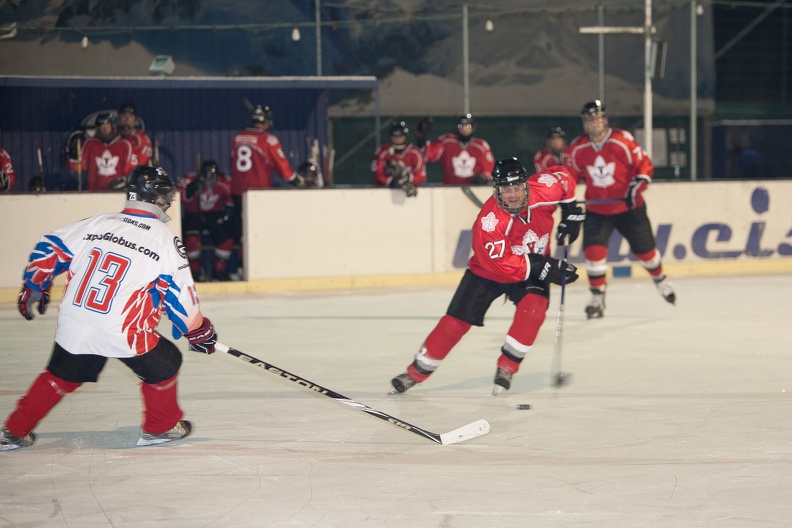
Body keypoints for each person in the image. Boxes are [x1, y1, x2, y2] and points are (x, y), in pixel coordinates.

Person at [0, 166, 219, 451]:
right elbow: (179, 294)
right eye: (165, 193)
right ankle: (159, 428)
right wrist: (197, 330)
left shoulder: (97, 223)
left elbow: (51, 245)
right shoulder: (165, 239)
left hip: (75, 321)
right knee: (165, 364)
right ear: (154, 196)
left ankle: (13, 431)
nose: (168, 201)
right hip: (120, 329)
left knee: (60, 376)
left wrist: (35, 283)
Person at [389, 158, 584, 396]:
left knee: (534, 311)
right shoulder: (489, 222)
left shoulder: (545, 188)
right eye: (505, 189)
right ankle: (416, 372)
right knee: (454, 324)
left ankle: (507, 367)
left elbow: (564, 175)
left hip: (533, 265)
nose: (511, 195)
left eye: (515, 188)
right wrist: (541, 266)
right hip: (487, 272)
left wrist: (571, 210)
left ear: (526, 185)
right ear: (496, 189)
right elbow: (501, 265)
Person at [565, 100, 675, 319]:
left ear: (605, 119)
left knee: (647, 254)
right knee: (594, 254)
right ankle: (597, 297)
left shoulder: (622, 140)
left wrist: (638, 184)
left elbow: (644, 165)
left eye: (597, 118)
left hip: (628, 208)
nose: (594, 123)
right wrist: (563, 196)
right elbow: (569, 176)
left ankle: (660, 279)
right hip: (597, 209)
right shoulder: (577, 147)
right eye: (589, 119)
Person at [229, 104, 305, 277]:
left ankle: (241, 267)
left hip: (238, 192)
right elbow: (282, 167)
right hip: (258, 194)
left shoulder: (238, 137)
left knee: (243, 231)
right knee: (258, 231)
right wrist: (295, 180)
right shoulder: (267, 139)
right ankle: (256, 267)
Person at [179, 160, 235, 282]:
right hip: (194, 215)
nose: (209, 180)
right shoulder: (190, 178)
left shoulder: (224, 181)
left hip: (214, 216)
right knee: (191, 239)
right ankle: (195, 272)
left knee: (227, 237)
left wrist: (227, 212)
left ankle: (218, 271)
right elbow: (180, 197)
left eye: (212, 176)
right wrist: (192, 188)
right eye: (206, 176)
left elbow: (230, 198)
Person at [419, 113, 495, 185]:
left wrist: (483, 177)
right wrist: (421, 138)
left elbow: (490, 168)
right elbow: (427, 155)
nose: (464, 129)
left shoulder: (481, 145)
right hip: (449, 189)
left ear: (473, 128)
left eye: (468, 126)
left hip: (474, 190)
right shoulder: (446, 141)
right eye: (461, 126)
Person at [67, 113, 135, 191]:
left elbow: (131, 170)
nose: (105, 129)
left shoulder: (125, 145)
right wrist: (73, 154)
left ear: (113, 127)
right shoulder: (90, 144)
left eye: (107, 126)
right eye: (102, 127)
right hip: (93, 193)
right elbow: (78, 167)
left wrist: (125, 181)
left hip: (117, 194)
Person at [371, 120, 426, 197]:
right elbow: (377, 173)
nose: (397, 140)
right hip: (384, 194)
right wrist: (391, 181)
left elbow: (421, 176)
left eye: (400, 137)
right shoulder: (383, 152)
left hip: (409, 195)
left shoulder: (415, 153)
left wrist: (407, 178)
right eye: (395, 137)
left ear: (405, 137)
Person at [117, 102, 154, 167]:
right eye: (124, 115)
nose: (127, 119)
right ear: (119, 118)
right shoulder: (112, 137)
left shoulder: (140, 137)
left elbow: (142, 163)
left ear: (135, 120)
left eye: (130, 116)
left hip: (134, 175)